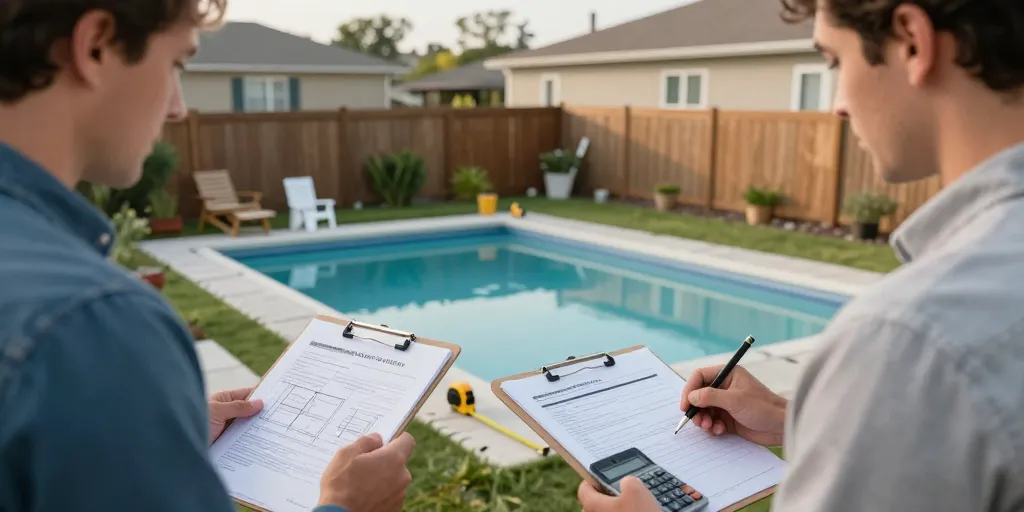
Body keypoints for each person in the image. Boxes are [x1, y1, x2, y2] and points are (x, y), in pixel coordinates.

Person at [578, 0, 1024, 510]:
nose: (836, 103)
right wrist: (794, 419)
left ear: (912, 41)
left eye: (835, 61)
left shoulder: (911, 340)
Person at [0, 1, 415, 511]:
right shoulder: (90, 323)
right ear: (96, 46)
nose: (177, 107)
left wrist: (149, 431)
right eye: (176, 63)